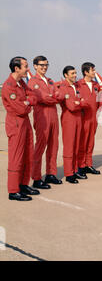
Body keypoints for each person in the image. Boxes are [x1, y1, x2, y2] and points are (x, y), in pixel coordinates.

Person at [2, 57, 38, 201]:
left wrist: (27, 101)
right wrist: (27, 103)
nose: (28, 69)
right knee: (16, 157)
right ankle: (13, 190)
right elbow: (20, 109)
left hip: (25, 123)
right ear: (16, 68)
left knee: (28, 155)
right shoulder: (8, 86)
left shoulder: (22, 83)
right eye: (25, 66)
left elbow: (33, 97)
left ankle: (23, 184)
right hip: (16, 124)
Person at [28, 56, 62, 190]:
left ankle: (51, 173)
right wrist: (52, 97)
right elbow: (41, 98)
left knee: (54, 145)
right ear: (35, 66)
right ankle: (36, 178)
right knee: (40, 147)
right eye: (41, 65)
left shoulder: (50, 81)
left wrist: (51, 97)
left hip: (53, 115)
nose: (44, 67)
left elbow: (58, 96)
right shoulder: (32, 81)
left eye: (46, 65)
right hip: (42, 116)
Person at [56, 66, 89, 184]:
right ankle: (69, 173)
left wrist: (78, 102)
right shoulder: (64, 87)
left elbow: (85, 102)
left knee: (76, 145)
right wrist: (79, 103)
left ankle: (74, 170)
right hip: (69, 118)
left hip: (78, 118)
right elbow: (71, 106)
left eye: (75, 73)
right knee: (69, 146)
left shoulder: (76, 87)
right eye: (72, 73)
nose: (75, 75)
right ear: (66, 75)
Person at [77, 62, 102, 177]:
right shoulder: (78, 85)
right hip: (83, 118)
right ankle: (81, 165)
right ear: (86, 72)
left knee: (91, 142)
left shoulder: (96, 85)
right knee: (82, 142)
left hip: (94, 117)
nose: (94, 72)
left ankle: (88, 164)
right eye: (92, 70)